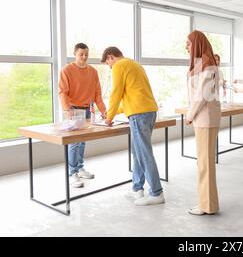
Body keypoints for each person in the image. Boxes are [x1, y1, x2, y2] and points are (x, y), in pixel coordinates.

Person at [101, 46, 164, 206]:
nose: (110, 67)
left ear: (110, 57)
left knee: (143, 153)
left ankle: (156, 193)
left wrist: (109, 117)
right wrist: (112, 113)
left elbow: (116, 93)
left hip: (139, 115)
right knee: (138, 152)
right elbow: (132, 96)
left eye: (108, 64)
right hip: (149, 111)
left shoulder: (119, 66)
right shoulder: (135, 64)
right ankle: (137, 188)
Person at [59, 43, 107, 188]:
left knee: (82, 140)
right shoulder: (67, 70)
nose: (84, 57)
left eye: (86, 54)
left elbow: (97, 93)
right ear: (75, 54)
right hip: (73, 109)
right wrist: (68, 108)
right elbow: (62, 92)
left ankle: (80, 168)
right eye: (81, 54)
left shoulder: (92, 71)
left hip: (87, 109)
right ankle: (72, 173)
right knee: (74, 142)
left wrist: (104, 111)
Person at [185, 30, 221, 216]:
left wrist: (189, 115)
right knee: (203, 162)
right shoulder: (202, 64)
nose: (186, 47)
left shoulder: (207, 65)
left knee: (204, 164)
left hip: (205, 119)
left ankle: (207, 206)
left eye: (189, 43)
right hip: (203, 119)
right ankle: (208, 203)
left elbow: (202, 95)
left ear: (198, 44)